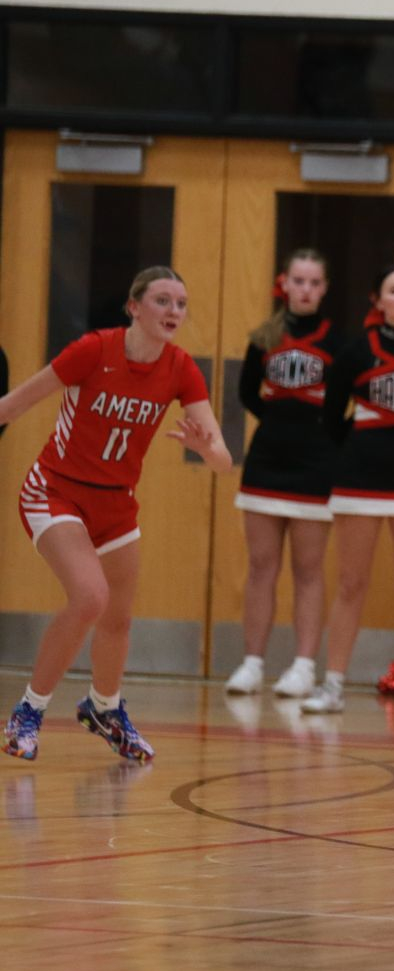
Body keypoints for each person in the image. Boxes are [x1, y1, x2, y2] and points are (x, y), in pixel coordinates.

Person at [1, 266, 232, 761]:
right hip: (55, 491)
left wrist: (204, 447)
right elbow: (14, 405)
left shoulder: (181, 368)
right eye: (162, 300)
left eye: (181, 304)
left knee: (118, 619)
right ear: (134, 307)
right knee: (90, 597)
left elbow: (223, 460)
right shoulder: (93, 350)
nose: (174, 311)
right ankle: (28, 711)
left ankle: (104, 709)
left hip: (116, 503)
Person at [300, 264, 394, 721]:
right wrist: (362, 449)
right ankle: (332, 685)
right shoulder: (355, 353)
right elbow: (331, 418)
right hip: (359, 480)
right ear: (378, 300)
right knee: (351, 584)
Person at [224, 250, 341, 698]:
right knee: (260, 567)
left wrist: (319, 431)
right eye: (299, 281)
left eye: (314, 282)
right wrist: (278, 422)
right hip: (267, 462)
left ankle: (304, 666)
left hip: (315, 466)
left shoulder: (337, 340)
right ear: (285, 284)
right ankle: (252, 663)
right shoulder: (265, 336)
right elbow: (246, 393)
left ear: (324, 289)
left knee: (308, 570)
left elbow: (344, 400)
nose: (306, 289)